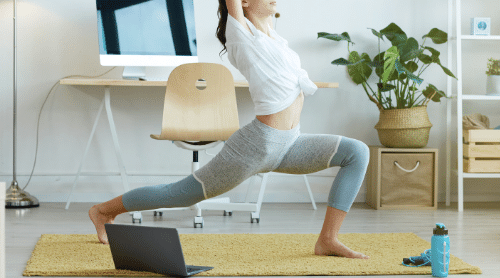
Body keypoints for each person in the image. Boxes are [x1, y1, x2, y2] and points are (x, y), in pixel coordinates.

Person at [89, 0, 370, 260]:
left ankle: (328, 240)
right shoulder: (241, 35)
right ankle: (103, 211)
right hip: (256, 146)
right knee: (180, 194)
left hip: (289, 143)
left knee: (356, 152)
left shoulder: (275, 39)